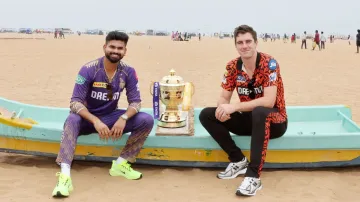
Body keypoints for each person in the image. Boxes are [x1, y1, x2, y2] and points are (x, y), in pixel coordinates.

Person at [52, 31, 154, 197]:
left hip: (110, 117)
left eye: (120, 48)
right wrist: (95, 121)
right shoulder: (89, 69)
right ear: (105, 47)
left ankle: (120, 165)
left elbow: (136, 102)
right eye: (112, 47)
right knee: (71, 118)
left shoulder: (128, 71)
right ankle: (64, 177)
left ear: (125, 51)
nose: (115, 51)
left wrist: (123, 117)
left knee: (146, 120)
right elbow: (75, 102)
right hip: (86, 119)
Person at [199, 25, 288, 197]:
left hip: (275, 121)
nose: (244, 45)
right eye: (240, 42)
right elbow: (224, 97)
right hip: (250, 120)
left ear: (256, 43)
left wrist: (234, 107)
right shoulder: (232, 66)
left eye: (248, 41)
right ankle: (238, 160)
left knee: (260, 111)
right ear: (236, 45)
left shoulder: (269, 63)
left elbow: (269, 101)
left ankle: (253, 177)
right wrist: (222, 109)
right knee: (207, 114)